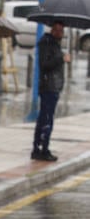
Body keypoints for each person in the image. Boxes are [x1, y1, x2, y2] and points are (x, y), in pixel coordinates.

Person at [32, 21, 70, 162]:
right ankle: (42, 149)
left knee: (45, 118)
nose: (60, 33)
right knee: (46, 120)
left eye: (62, 30)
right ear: (53, 30)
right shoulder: (47, 43)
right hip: (49, 87)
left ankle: (39, 148)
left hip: (53, 87)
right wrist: (61, 58)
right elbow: (45, 64)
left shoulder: (54, 44)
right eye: (58, 30)